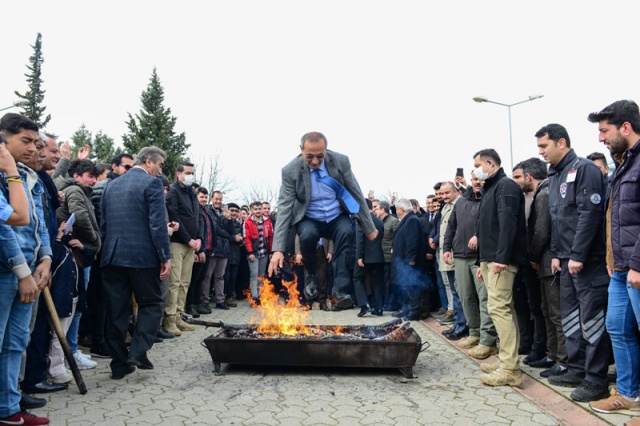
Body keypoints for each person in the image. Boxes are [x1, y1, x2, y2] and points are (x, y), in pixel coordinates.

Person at [536, 123, 611, 402]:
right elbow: (558, 219)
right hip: (565, 262)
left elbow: (588, 215)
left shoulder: (584, 170)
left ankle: (596, 379)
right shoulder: (555, 175)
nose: (541, 152)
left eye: (544, 146)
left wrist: (578, 255)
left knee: (592, 320)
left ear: (561, 143)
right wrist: (557, 253)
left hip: (587, 262)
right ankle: (576, 368)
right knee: (570, 318)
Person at [268, 132, 377, 310]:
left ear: (326, 150)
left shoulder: (341, 161)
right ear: (301, 150)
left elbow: (355, 192)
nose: (316, 161)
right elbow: (285, 207)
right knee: (308, 235)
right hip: (309, 217)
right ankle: (310, 274)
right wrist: (278, 249)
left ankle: (339, 292)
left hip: (336, 215)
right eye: (310, 156)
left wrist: (368, 226)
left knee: (346, 232)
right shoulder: (290, 171)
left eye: (320, 156)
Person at [586, 100, 640, 414]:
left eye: (604, 131)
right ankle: (629, 395)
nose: (600, 138)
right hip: (619, 269)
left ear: (626, 127)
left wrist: (636, 263)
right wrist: (612, 259)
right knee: (618, 330)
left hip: (635, 267)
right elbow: (615, 219)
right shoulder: (622, 165)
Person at [100, 146, 171, 380]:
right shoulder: (151, 184)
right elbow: (158, 225)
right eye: (160, 165)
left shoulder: (112, 185)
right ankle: (138, 352)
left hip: (112, 256)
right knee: (152, 303)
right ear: (149, 161)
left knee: (116, 312)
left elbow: (104, 225)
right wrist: (164, 256)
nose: (160, 171)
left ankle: (119, 364)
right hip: (142, 257)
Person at [0, 113, 51, 426]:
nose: (35, 148)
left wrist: (44, 258)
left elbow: (39, 223)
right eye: (26, 141)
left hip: (30, 270)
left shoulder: (28, 178)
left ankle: (8, 409)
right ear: (4, 140)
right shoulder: (7, 177)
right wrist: (20, 271)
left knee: (16, 342)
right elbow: (6, 228)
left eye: (37, 142)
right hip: (8, 271)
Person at [473, 148, 527, 387]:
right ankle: (508, 360)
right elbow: (485, 228)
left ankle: (510, 369)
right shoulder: (490, 188)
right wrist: (481, 262)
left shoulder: (505, 186)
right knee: (502, 309)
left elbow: (508, 224)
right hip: (490, 259)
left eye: (477, 165)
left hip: (500, 261)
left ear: (490, 163)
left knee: (499, 308)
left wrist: (501, 258)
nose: (476, 170)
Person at [443, 172, 498, 359]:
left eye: (482, 179)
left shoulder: (489, 199)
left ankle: (487, 340)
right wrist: (446, 248)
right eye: (475, 179)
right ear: (471, 181)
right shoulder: (461, 202)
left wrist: (479, 236)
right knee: (466, 297)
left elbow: (493, 225)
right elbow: (451, 226)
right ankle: (473, 333)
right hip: (459, 255)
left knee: (484, 298)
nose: (478, 183)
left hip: (480, 257)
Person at [164, 162, 200, 336]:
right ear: (178, 174)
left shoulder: (192, 193)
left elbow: (197, 217)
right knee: (175, 282)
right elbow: (175, 216)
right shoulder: (173, 192)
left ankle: (179, 316)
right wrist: (188, 239)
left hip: (191, 245)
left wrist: (199, 238)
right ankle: (169, 319)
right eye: (187, 172)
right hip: (178, 243)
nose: (190, 176)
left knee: (185, 282)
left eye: (192, 172)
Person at [390, 199, 428, 320]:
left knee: (412, 287)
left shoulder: (412, 220)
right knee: (405, 287)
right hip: (403, 260)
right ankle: (406, 309)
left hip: (410, 262)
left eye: (397, 209)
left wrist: (411, 258)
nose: (396, 212)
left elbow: (412, 241)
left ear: (402, 209)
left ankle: (413, 311)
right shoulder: (406, 220)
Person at [354, 198, 385, 317]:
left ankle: (364, 305)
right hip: (378, 256)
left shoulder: (361, 219)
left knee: (357, 279)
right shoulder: (379, 221)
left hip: (365, 257)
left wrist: (359, 257)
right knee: (377, 282)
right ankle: (379, 308)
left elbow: (360, 239)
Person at [244, 201, 273, 302]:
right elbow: (246, 238)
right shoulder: (248, 222)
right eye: (255, 209)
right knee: (254, 274)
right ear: (252, 210)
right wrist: (250, 252)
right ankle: (254, 296)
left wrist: (271, 252)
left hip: (264, 252)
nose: (258, 211)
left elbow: (270, 237)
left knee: (261, 275)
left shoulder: (267, 221)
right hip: (254, 253)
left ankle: (260, 295)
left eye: (259, 209)